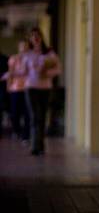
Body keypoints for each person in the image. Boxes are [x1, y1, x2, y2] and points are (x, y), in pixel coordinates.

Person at [22, 27, 62, 156]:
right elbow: (23, 72)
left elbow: (58, 69)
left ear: (41, 37)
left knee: (42, 116)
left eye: (37, 35)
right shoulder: (27, 53)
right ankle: (34, 146)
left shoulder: (49, 52)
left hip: (45, 88)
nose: (35, 37)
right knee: (34, 117)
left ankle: (41, 146)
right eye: (32, 35)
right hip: (31, 87)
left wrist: (47, 72)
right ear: (30, 39)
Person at [1, 39, 30, 142]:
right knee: (15, 112)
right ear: (19, 48)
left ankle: (26, 135)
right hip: (15, 88)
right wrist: (8, 86)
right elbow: (10, 74)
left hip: (28, 88)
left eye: (26, 46)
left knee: (27, 112)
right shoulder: (14, 59)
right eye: (22, 46)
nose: (24, 48)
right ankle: (16, 131)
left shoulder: (30, 59)